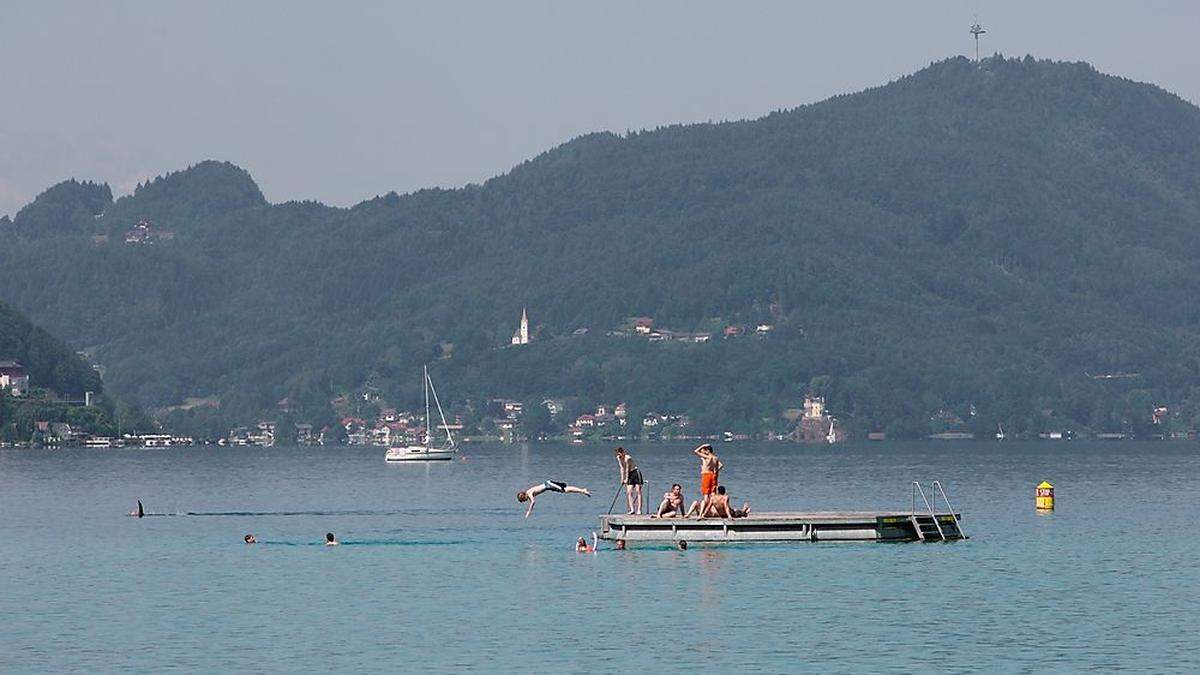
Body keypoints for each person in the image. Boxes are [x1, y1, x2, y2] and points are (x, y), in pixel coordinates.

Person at [517, 480, 591, 518]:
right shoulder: (529, 493)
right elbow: (531, 501)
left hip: (548, 485)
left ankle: (583, 491)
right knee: (566, 489)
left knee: (565, 490)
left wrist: (529, 512)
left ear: (524, 497)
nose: (525, 501)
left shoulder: (529, 493)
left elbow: (533, 502)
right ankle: (582, 491)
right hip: (549, 486)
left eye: (524, 500)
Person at [691, 444, 724, 518]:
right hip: (713, 475)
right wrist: (716, 472)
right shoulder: (715, 458)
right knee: (712, 494)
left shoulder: (707, 457)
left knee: (706, 495)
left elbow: (695, 451)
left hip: (707, 475)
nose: (703, 451)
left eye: (704, 450)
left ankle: (703, 512)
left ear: (708, 450)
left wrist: (703, 445)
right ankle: (712, 509)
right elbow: (721, 465)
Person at [614, 447, 644, 515]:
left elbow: (627, 469)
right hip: (629, 474)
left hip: (635, 472)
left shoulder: (628, 458)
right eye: (618, 454)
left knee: (638, 491)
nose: (619, 455)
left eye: (620, 454)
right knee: (629, 492)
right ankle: (632, 509)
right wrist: (622, 479)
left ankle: (639, 510)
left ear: (623, 452)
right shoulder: (618, 458)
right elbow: (622, 468)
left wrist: (626, 479)